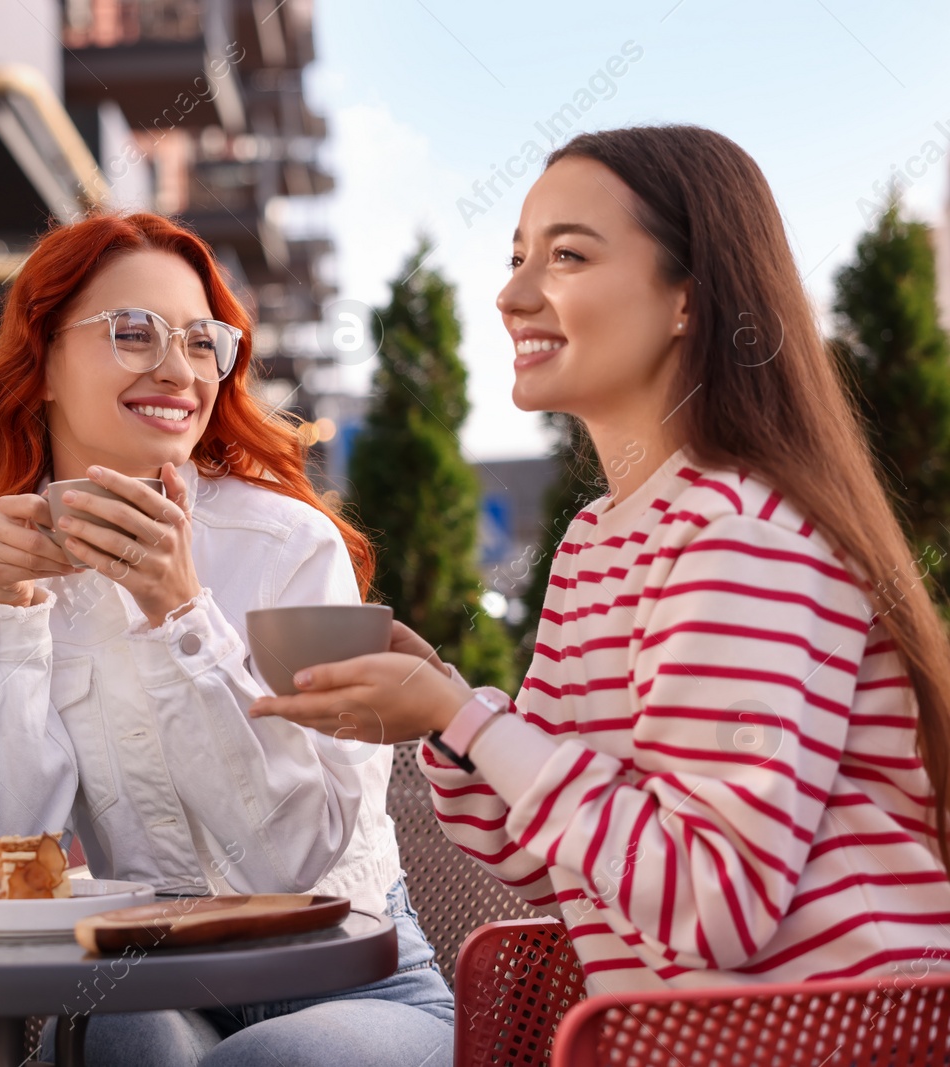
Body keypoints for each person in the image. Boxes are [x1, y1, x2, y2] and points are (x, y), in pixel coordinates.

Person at [252, 125, 950, 991]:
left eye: (568, 256)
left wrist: (464, 719)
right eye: (516, 257)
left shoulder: (738, 536)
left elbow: (714, 900)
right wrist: (444, 709)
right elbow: (549, 853)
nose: (510, 295)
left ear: (687, 299)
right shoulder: (597, 540)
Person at [0, 212, 454, 1066]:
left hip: (356, 980)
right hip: (157, 982)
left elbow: (285, 866)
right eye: (132, 332)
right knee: (108, 1042)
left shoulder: (286, 545)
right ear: (43, 359)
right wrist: (10, 615)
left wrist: (179, 611)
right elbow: (8, 869)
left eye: (204, 341)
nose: (177, 368)